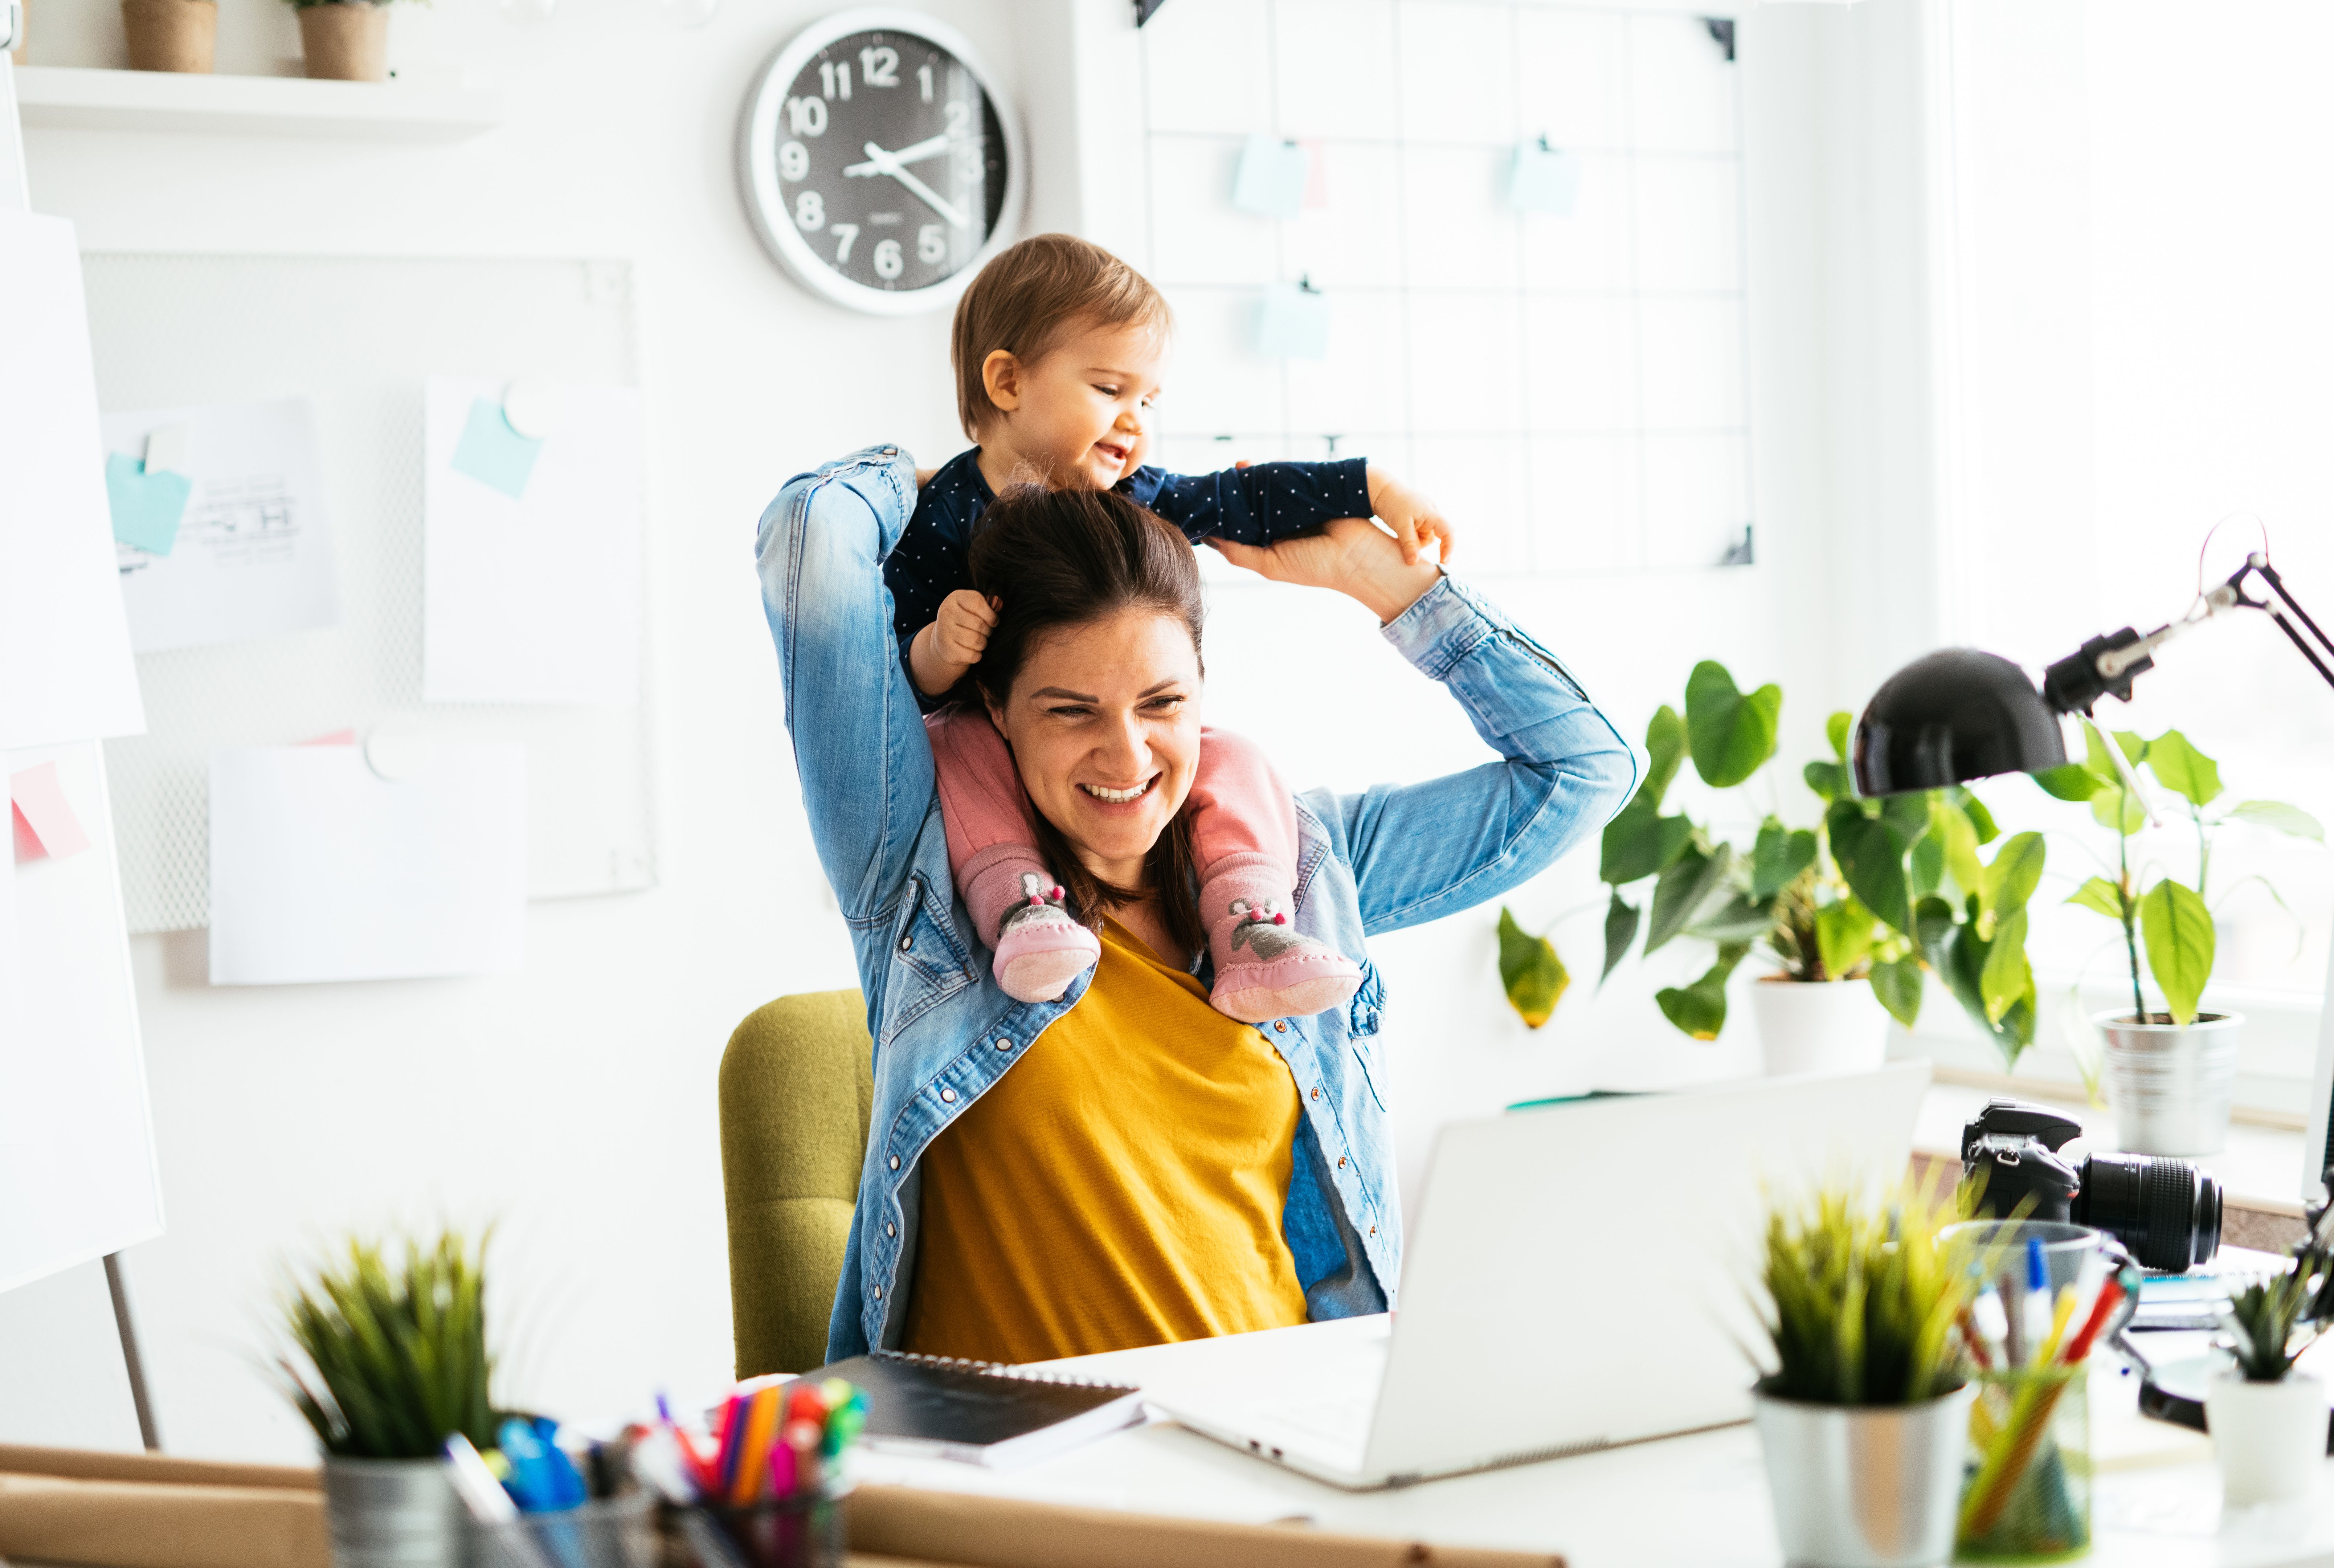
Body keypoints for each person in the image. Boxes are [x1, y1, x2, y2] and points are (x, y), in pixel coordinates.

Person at [757, 447, 1636, 1365]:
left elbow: (1586, 770)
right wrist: (978, 460)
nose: (1128, 756)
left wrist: (1384, 582)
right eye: (1071, 711)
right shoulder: (914, 867)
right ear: (998, 706)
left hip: (1270, 1429)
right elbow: (810, 539)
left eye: (1162, 703)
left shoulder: (1298, 871)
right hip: (1018, 1469)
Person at [888, 232, 1459, 1023]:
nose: (1135, 423)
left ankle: (1253, 926)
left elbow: (1244, 499)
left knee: (1231, 758)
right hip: (992, 760)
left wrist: (1372, 486)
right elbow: (884, 688)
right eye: (1110, 388)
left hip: (1100, 795)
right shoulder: (935, 515)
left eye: (1148, 401)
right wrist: (934, 650)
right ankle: (1022, 910)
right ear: (1008, 380)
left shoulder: (1133, 498)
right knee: (957, 746)